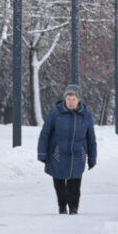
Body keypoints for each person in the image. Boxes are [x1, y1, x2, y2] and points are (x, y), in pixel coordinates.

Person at [37, 84, 96, 215]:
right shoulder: (56, 112)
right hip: (58, 154)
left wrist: (92, 158)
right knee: (59, 183)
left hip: (78, 155)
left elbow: (91, 138)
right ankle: (62, 206)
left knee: (75, 184)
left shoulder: (85, 115)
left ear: (78, 100)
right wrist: (42, 153)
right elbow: (45, 133)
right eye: (68, 99)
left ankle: (74, 207)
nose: (70, 102)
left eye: (73, 99)